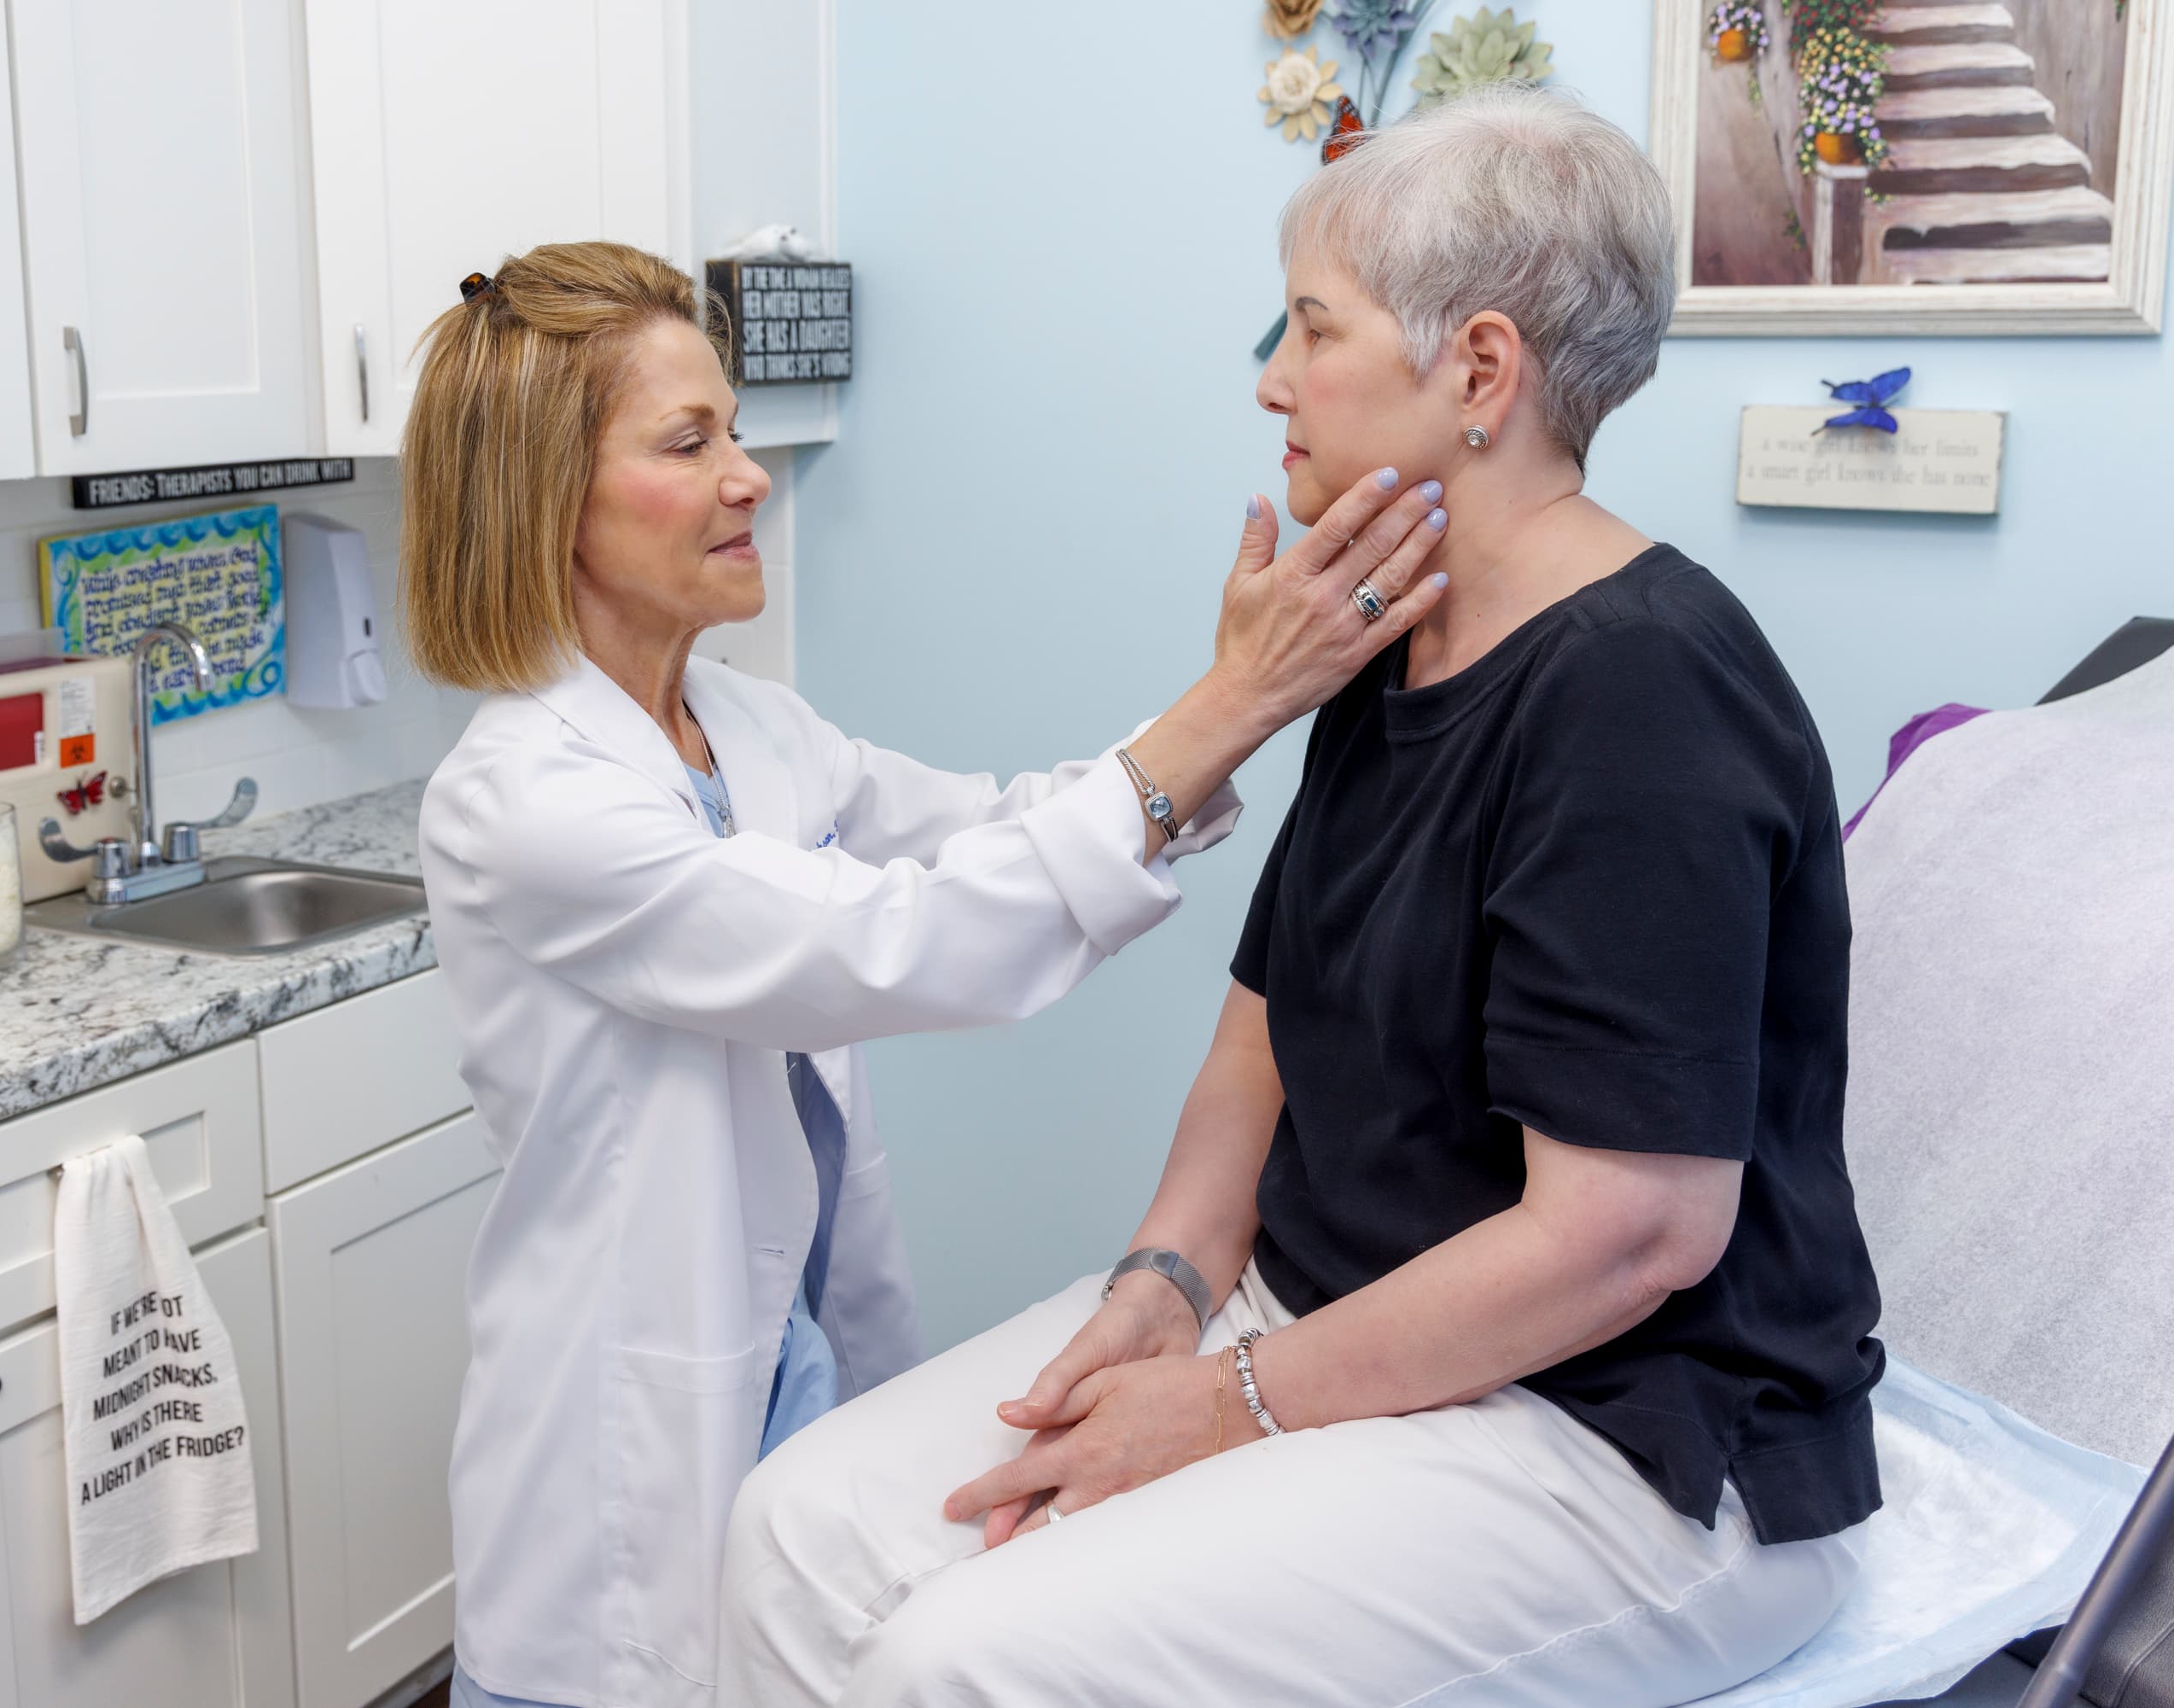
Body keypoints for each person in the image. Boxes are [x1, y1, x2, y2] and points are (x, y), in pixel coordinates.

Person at [720, 85, 1885, 1708]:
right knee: (792, 1527)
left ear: (1479, 370)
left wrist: (1227, 1401)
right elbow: (1260, 1046)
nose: (1272, 377)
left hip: (1617, 1433)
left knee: (959, 1657)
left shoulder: (1642, 694)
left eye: (1311, 328)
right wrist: (1163, 1288)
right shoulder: (1386, 631)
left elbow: (1629, 1237)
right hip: (1320, 1314)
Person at [404, 241, 1451, 1708]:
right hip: (620, 1446)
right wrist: (1233, 702)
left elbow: (994, 827)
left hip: (810, 1356)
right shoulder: (524, 797)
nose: (749, 475)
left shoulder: (753, 728)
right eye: (688, 442)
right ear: (543, 500)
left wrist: (1236, 709)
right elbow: (879, 943)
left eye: (735, 429)